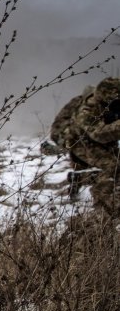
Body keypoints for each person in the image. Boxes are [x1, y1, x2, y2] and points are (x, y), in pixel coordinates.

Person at [50, 77, 120, 213]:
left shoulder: (111, 103)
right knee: (113, 165)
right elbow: (98, 134)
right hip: (77, 140)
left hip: (98, 138)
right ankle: (105, 205)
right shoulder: (87, 110)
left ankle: (80, 177)